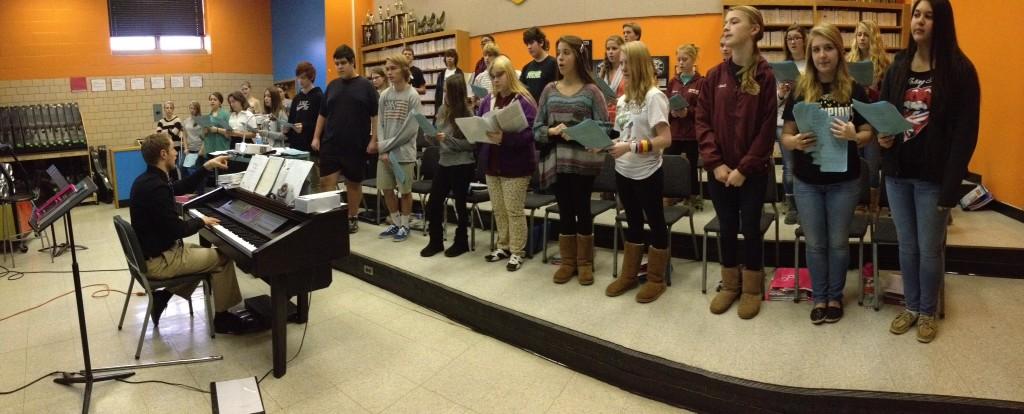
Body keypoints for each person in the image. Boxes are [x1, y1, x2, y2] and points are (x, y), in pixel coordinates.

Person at [879, 0, 979, 343]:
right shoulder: (899, 66)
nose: (919, 21)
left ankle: (927, 311)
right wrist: (884, 138)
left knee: (929, 248)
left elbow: (966, 136)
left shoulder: (960, 71)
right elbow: (887, 115)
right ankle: (910, 306)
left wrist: (951, 189)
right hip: (898, 174)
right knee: (907, 246)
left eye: (928, 15)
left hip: (933, 178)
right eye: (916, 14)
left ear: (943, 22)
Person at [780, 24, 875, 325]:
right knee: (815, 243)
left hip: (844, 182)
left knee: (837, 242)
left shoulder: (854, 89)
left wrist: (854, 135)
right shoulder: (799, 88)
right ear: (810, 54)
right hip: (807, 180)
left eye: (828, 48)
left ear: (838, 51)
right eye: (817, 49)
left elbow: (868, 131)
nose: (822, 55)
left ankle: (835, 295)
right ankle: (819, 296)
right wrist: (793, 142)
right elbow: (786, 133)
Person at [129, 133, 261, 334]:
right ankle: (223, 318)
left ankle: (162, 298)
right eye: (173, 149)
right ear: (163, 154)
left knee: (203, 258)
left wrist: (207, 167)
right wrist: (201, 221)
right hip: (160, 260)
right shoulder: (156, 187)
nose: (176, 153)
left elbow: (178, 188)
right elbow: (176, 230)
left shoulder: (147, 180)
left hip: (152, 254)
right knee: (223, 258)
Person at [696, 5, 777, 319]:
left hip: (751, 173)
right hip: (719, 172)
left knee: (750, 228)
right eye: (724, 22)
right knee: (727, 227)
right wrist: (715, 163)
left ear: (754, 29)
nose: (726, 28)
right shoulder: (715, 76)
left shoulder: (765, 76)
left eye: (734, 22)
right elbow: (702, 121)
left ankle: (753, 287)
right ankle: (730, 284)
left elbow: (767, 127)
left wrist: (744, 168)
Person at [533, 35, 609, 285]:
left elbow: (606, 128)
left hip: (584, 163)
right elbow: (536, 128)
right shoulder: (549, 90)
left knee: (582, 209)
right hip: (557, 161)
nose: (561, 58)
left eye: (566, 52)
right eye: (559, 52)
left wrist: (577, 128)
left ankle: (585, 262)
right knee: (565, 210)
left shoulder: (592, 91)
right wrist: (551, 132)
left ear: (578, 56)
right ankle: (568, 262)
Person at [602, 41, 672, 303]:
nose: (622, 68)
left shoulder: (655, 97)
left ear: (640, 63)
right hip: (624, 170)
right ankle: (629, 275)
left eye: (626, 63)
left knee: (655, 223)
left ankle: (656, 279)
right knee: (632, 222)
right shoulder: (622, 99)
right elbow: (621, 134)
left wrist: (629, 146)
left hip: (648, 172)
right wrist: (601, 142)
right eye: (620, 64)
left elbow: (665, 139)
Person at [477, 55, 538, 272]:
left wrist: (505, 138)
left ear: (510, 74)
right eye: (493, 76)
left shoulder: (524, 100)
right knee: (499, 210)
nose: (495, 80)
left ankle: (516, 251)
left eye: (500, 75)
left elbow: (532, 133)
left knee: (514, 210)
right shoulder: (487, 101)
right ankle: (503, 246)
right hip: (492, 162)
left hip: (516, 165)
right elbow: (480, 123)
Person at [313, 45, 379, 234]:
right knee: (326, 181)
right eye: (336, 64)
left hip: (356, 144)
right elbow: (322, 114)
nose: (339, 67)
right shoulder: (332, 86)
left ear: (352, 62)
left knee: (353, 183)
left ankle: (352, 217)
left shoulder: (366, 86)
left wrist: (374, 140)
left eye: (343, 63)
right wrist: (316, 137)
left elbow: (375, 116)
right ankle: (328, 217)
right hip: (331, 143)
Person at [420, 75, 475, 258]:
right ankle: (435, 241)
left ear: (456, 93)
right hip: (444, 162)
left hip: (462, 164)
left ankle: (462, 242)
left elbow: (471, 145)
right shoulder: (443, 109)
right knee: (433, 203)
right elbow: (437, 136)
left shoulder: (467, 114)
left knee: (460, 205)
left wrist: (448, 139)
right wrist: (431, 136)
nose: (444, 94)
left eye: (447, 91)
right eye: (444, 90)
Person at [373, 54, 422, 243]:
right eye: (387, 69)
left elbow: (410, 130)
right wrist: (383, 150)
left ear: (404, 70)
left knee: (405, 191)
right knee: (386, 188)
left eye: (393, 68)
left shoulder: (413, 95)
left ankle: (405, 225)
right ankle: (394, 222)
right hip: (385, 154)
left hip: (403, 154)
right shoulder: (384, 95)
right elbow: (380, 124)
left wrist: (387, 146)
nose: (389, 72)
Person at [847, 20, 892, 210]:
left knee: (872, 165)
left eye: (866, 34)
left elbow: (887, 97)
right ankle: (857, 201)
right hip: (853, 118)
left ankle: (872, 203)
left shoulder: (883, 64)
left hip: (874, 120)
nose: (862, 38)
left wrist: (869, 92)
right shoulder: (849, 62)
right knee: (854, 161)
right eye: (859, 34)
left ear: (873, 38)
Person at [666, 44, 705, 209]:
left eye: (685, 59)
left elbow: (704, 110)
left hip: (691, 133)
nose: (681, 63)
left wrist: (688, 112)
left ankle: (692, 195)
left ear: (693, 60)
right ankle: (671, 195)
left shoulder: (701, 82)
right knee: (669, 163)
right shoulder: (673, 82)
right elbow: (665, 104)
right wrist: (672, 113)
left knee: (690, 165)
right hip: (674, 132)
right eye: (679, 59)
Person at [778, 24, 808, 225]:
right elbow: (773, 101)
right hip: (783, 121)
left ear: (804, 40)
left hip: (806, 121)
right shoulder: (781, 68)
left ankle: (807, 205)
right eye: (789, 39)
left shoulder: (812, 64)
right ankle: (793, 207)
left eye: (797, 37)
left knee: (806, 165)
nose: (793, 42)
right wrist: (781, 93)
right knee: (789, 166)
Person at [286, 62, 324, 191]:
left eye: (303, 77)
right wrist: (287, 128)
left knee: (314, 181)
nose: (300, 81)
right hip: (297, 146)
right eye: (298, 77)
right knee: (298, 180)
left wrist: (305, 126)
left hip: (311, 146)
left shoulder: (319, 96)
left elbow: (322, 122)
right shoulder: (296, 98)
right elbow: (291, 120)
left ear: (311, 77)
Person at [519, 27, 558, 103]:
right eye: (527, 44)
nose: (529, 47)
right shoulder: (526, 68)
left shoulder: (554, 64)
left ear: (541, 42)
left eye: (531, 43)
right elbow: (521, 91)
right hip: (532, 112)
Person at [598, 35, 626, 120]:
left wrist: (617, 101)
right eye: (608, 49)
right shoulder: (603, 70)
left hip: (622, 116)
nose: (610, 52)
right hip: (605, 116)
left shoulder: (627, 70)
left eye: (614, 49)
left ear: (622, 50)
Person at [155, 101, 184, 177]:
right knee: (168, 168)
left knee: (176, 167)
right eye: (167, 108)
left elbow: (174, 133)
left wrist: (165, 132)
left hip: (176, 148)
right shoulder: (161, 121)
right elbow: (159, 135)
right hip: (166, 149)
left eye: (171, 108)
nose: (169, 109)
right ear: (164, 109)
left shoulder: (177, 120)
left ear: (173, 109)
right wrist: (169, 131)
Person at [434, 49, 463, 114]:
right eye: (448, 56)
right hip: (442, 106)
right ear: (445, 59)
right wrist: (437, 111)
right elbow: (437, 94)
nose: (449, 58)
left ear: (455, 59)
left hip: (455, 107)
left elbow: (462, 92)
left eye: (452, 56)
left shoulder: (459, 73)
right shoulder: (441, 74)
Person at [202, 92, 231, 156]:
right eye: (211, 99)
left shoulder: (225, 115)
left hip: (221, 149)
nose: (212, 101)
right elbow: (204, 136)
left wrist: (217, 130)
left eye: (215, 100)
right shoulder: (208, 116)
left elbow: (229, 133)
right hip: (209, 150)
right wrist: (205, 131)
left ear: (220, 102)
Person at [181, 101, 204, 177]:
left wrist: (202, 149)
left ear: (198, 109)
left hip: (198, 149)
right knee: (183, 168)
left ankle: (200, 189)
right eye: (191, 108)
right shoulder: (186, 121)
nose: (192, 110)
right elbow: (184, 135)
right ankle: (187, 187)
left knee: (197, 171)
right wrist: (186, 148)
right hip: (189, 149)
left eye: (194, 108)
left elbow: (206, 137)